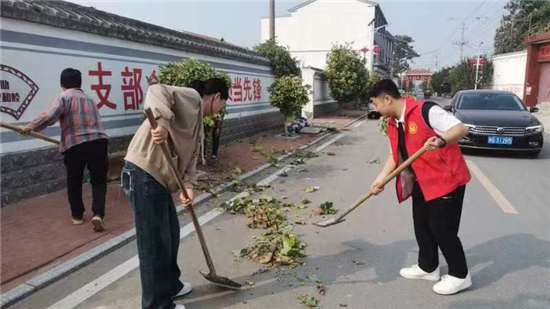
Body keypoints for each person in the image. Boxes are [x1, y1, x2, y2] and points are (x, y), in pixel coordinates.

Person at [121, 78, 228, 309]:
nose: (220, 111)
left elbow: (189, 161)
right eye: (223, 105)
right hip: (143, 172)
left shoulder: (198, 122)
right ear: (217, 96)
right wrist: (161, 125)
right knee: (154, 244)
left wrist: (188, 187)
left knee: (170, 233)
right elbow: (156, 90)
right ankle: (157, 305)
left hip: (158, 179)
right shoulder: (191, 96)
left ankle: (170, 285)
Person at [369, 79, 472, 295]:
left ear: (387, 99)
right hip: (421, 182)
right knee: (422, 226)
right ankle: (428, 267)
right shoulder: (392, 122)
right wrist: (380, 179)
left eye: (375, 104)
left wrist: (441, 140)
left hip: (446, 180)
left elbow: (461, 128)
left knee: (442, 229)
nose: (375, 109)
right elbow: (394, 156)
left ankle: (460, 275)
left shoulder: (426, 110)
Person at [21, 68, 109, 231]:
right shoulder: (90, 99)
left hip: (75, 144)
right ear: (80, 83)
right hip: (99, 141)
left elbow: (49, 116)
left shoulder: (64, 96)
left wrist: (30, 127)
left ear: (62, 83)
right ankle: (98, 214)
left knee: (74, 180)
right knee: (99, 180)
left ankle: (77, 216)